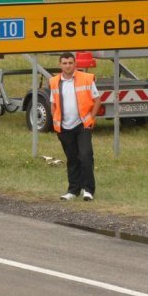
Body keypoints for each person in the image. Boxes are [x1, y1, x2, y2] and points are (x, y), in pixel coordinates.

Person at [49, 52, 102, 201]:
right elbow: (53, 104)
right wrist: (55, 120)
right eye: (64, 63)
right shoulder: (54, 82)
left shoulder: (86, 79)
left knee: (85, 156)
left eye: (70, 63)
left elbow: (97, 100)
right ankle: (73, 190)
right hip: (64, 127)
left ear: (75, 64)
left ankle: (88, 190)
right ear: (60, 65)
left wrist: (91, 118)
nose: (67, 66)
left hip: (82, 125)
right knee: (72, 159)